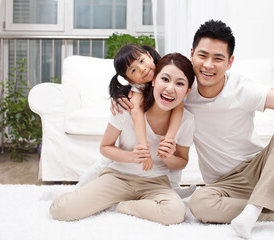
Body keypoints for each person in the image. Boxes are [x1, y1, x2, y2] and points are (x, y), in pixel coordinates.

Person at [113, 20, 274, 238]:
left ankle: (253, 210)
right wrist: (118, 94)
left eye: (218, 58)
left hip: (259, 169)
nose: (208, 65)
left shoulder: (243, 89)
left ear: (230, 62)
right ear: (192, 54)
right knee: (199, 205)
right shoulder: (181, 89)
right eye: (202, 56)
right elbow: (145, 79)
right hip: (223, 185)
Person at [49, 53, 196, 225]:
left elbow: (182, 161)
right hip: (118, 177)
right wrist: (131, 157)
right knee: (61, 210)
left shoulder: (186, 120)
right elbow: (105, 147)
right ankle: (80, 194)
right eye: (165, 79)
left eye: (179, 83)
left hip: (156, 183)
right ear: (154, 80)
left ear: (187, 91)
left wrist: (169, 157)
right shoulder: (126, 107)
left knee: (175, 213)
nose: (170, 88)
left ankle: (123, 206)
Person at [77, 44, 196, 199]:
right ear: (128, 79)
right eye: (133, 70)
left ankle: (173, 188)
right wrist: (142, 146)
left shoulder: (166, 70)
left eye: (142, 60)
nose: (142, 69)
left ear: (148, 55)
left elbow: (178, 106)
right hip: (120, 155)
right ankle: (78, 189)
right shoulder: (137, 88)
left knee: (168, 155)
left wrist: (169, 138)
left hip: (158, 172)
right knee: (99, 167)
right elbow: (136, 114)